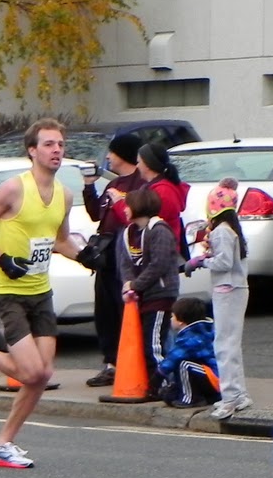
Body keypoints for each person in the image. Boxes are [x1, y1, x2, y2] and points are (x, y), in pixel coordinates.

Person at [0, 119, 81, 469]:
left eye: (60, 144)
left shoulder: (64, 196)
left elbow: (59, 240)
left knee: (42, 375)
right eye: (49, 144)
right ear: (32, 151)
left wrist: (85, 255)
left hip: (41, 291)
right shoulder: (13, 189)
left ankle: (3, 444)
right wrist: (2, 258)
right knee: (29, 372)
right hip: (7, 290)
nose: (57, 150)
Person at [79, 133, 143, 388]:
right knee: (104, 311)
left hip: (126, 253)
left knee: (123, 308)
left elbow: (134, 217)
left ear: (124, 154)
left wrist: (121, 201)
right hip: (105, 255)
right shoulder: (112, 183)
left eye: (112, 152)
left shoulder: (139, 183)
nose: (107, 157)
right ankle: (110, 363)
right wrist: (88, 186)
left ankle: (129, 363)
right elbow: (96, 213)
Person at [184, 182, 251, 419]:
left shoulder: (222, 231)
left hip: (227, 290)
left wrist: (201, 261)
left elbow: (224, 263)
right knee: (231, 344)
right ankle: (239, 394)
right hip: (235, 289)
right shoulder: (231, 229)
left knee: (224, 345)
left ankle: (230, 397)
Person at [118, 185, 182, 395]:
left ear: (139, 206)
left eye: (127, 205)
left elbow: (159, 264)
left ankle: (161, 385)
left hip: (160, 294)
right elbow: (125, 263)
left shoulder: (160, 231)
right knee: (148, 340)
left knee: (153, 343)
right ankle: (154, 382)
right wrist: (128, 284)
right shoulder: (128, 233)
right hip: (142, 295)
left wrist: (136, 285)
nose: (124, 209)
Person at [154, 296, 218, 409]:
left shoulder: (192, 337)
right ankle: (201, 396)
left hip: (215, 380)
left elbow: (173, 358)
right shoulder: (200, 330)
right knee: (169, 394)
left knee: (184, 364)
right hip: (209, 379)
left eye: (172, 316)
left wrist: (157, 377)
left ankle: (191, 399)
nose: (170, 319)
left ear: (180, 321)